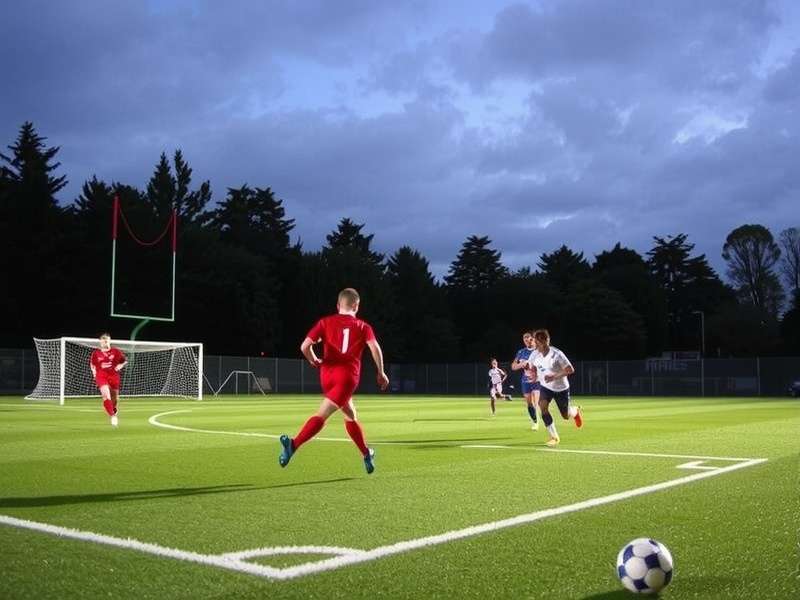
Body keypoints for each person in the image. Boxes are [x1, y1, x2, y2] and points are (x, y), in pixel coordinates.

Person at [279, 288, 389, 474]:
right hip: (347, 379)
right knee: (322, 414)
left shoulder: (325, 322)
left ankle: (366, 453)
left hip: (326, 376)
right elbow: (375, 348)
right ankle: (293, 444)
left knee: (351, 415)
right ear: (356, 306)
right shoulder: (363, 326)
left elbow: (305, 346)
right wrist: (381, 372)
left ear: (338, 305)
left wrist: (314, 360)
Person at [527, 329, 582, 446]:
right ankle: (554, 437)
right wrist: (534, 375)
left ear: (545, 341)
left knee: (565, 415)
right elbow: (532, 367)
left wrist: (554, 376)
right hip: (545, 387)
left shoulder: (557, 354)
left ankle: (575, 411)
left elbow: (570, 369)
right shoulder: (534, 354)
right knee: (543, 408)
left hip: (561, 388)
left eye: (537, 342)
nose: (535, 345)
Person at [89, 333, 127, 427]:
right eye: (103, 341)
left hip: (114, 376)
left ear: (109, 341)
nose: (105, 342)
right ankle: (113, 416)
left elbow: (124, 360)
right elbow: (92, 364)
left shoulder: (116, 352)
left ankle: (113, 409)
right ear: (100, 342)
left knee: (114, 399)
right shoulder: (96, 353)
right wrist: (94, 372)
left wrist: (119, 366)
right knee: (106, 396)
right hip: (101, 375)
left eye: (106, 341)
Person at [510, 331, 540, 431]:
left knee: (536, 401)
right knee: (529, 403)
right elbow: (513, 366)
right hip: (525, 380)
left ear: (533, 339)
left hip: (537, 379)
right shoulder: (521, 352)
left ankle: (537, 423)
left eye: (529, 338)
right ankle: (534, 420)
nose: (527, 341)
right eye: (525, 339)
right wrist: (521, 365)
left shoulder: (539, 350)